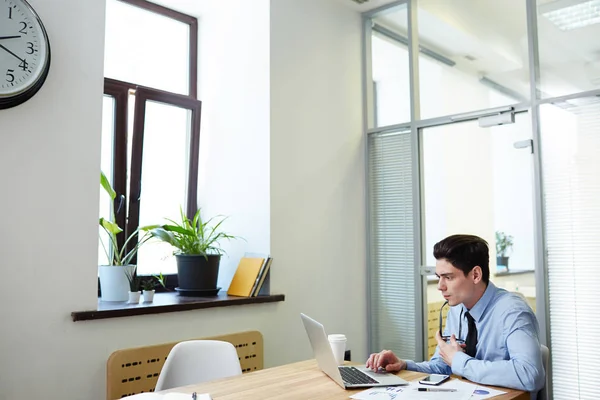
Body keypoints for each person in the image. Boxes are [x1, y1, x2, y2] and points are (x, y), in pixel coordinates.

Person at [366, 234, 545, 394]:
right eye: (438, 277)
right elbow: (443, 365)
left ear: (475, 275)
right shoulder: (457, 308)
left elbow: (530, 374)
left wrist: (460, 361)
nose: (440, 286)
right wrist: (404, 365)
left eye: (448, 277)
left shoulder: (512, 312)